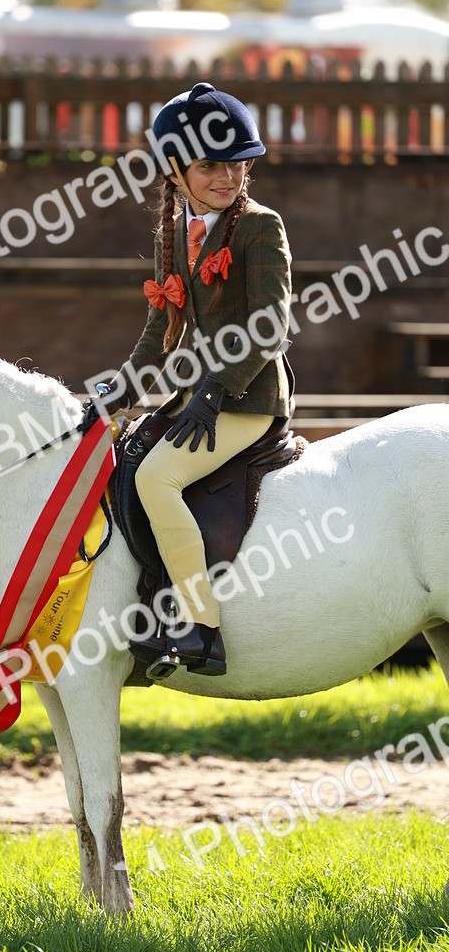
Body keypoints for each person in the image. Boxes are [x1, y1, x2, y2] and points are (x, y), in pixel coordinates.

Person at [82, 82, 292, 675]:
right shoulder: (173, 233)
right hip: (195, 396)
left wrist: (216, 390)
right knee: (123, 461)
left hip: (248, 396)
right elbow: (161, 332)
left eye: (236, 164)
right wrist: (119, 390)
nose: (227, 178)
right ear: (174, 172)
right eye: (209, 167)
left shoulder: (259, 226)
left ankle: (202, 629)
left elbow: (271, 324)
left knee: (158, 479)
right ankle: (151, 596)